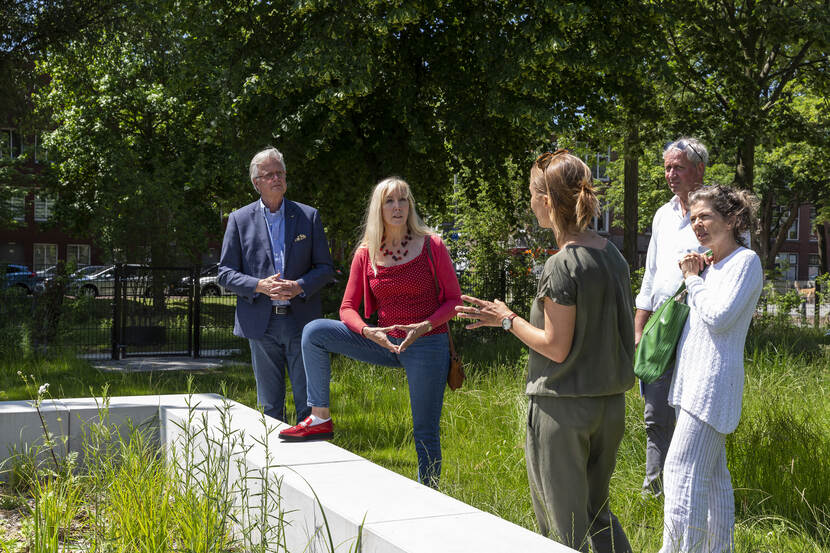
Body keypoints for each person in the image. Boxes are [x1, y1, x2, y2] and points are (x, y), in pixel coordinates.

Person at [456, 150, 633, 553]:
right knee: (598, 515)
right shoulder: (612, 256)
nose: (529, 203)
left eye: (531, 194)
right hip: (610, 407)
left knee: (562, 529)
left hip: (562, 409)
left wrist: (507, 319)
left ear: (547, 201)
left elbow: (555, 347)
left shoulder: (561, 265)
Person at [278, 177, 461, 488]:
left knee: (424, 431)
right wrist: (368, 331)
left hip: (427, 343)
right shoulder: (367, 252)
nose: (398, 207)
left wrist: (425, 325)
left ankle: (429, 494)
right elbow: (347, 307)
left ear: (410, 206)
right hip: (384, 341)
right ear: (379, 208)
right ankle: (319, 417)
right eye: (390, 201)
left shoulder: (432, 245)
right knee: (314, 331)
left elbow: (454, 301)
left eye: (403, 200)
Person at [659, 185, 762, 553]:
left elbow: (719, 318)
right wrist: (696, 275)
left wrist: (692, 280)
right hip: (691, 384)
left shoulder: (745, 262)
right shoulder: (711, 263)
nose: (697, 224)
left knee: (680, 473)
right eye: (693, 218)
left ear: (732, 219)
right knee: (715, 479)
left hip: (711, 385)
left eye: (705, 216)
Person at [218, 147, 334, 424]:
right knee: (269, 407)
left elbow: (325, 268)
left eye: (279, 173)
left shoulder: (307, 216)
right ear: (256, 182)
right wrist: (258, 285)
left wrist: (300, 286)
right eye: (268, 174)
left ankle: (311, 461)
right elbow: (224, 272)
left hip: (301, 321)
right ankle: (274, 465)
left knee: (310, 404)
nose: (276, 178)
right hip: (261, 323)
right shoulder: (239, 219)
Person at [635, 137, 709, 497]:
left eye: (678, 167)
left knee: (689, 414)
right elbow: (650, 275)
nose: (670, 174)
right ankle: (654, 489)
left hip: (697, 329)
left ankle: (687, 489)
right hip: (659, 329)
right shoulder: (663, 215)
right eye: (667, 167)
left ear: (699, 169)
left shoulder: (716, 214)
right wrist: (640, 326)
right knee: (655, 414)